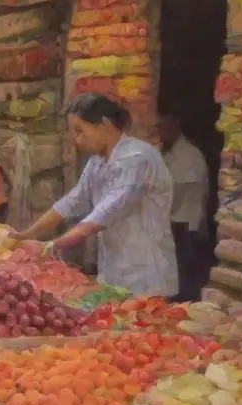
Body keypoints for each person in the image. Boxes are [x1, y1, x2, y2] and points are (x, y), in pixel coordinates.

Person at [16, 92, 177, 297]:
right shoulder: (98, 160)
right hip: (114, 270)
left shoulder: (136, 158)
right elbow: (74, 200)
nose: (76, 140)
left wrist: (50, 246)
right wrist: (28, 234)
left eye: (80, 131)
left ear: (104, 124)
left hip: (146, 274)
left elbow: (104, 214)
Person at [159, 113, 210, 301]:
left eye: (163, 127)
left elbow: (177, 190)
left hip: (187, 223)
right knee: (177, 272)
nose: (160, 132)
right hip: (177, 222)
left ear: (175, 127)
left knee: (186, 275)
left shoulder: (189, 155)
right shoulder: (170, 153)